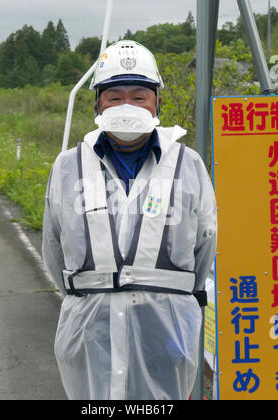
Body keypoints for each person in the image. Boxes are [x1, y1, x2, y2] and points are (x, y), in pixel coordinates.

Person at [42, 40, 217, 400]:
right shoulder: (68, 165)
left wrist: (172, 296)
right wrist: (91, 295)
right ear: (97, 103)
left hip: (167, 330)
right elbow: (53, 248)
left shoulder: (188, 164)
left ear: (157, 103)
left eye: (139, 96)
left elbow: (205, 243)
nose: (127, 106)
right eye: (114, 96)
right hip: (88, 329)